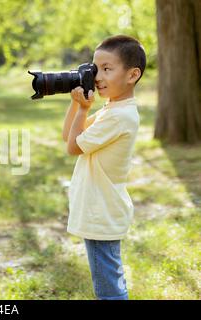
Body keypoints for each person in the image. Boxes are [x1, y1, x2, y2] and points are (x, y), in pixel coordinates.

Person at [62, 35, 146, 300]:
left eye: (107, 69)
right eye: (96, 68)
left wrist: (84, 110)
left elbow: (73, 147)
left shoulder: (119, 117)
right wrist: (78, 104)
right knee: (109, 277)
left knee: (108, 288)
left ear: (132, 75)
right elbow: (68, 136)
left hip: (101, 210)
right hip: (101, 207)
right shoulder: (114, 109)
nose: (97, 76)